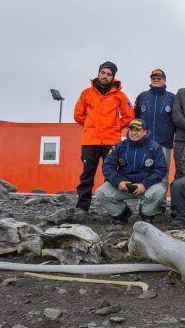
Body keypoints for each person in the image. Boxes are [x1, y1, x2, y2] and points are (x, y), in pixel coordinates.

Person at [72, 61, 135, 217]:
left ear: (113, 77)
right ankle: (82, 207)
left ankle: (111, 206)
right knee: (87, 174)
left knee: (111, 174)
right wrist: (89, 125)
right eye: (103, 73)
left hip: (111, 141)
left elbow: (129, 115)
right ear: (98, 73)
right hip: (89, 141)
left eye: (109, 74)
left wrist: (115, 126)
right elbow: (78, 115)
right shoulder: (86, 93)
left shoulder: (119, 95)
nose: (105, 76)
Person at [97, 119, 167, 224]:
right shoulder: (118, 146)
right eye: (131, 130)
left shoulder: (155, 147)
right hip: (124, 186)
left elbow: (160, 170)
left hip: (145, 187)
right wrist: (118, 182)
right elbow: (107, 167)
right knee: (100, 192)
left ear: (145, 132)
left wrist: (144, 184)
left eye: (138, 130)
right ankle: (122, 213)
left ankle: (146, 215)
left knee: (160, 190)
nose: (134, 133)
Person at [134, 68, 176, 183]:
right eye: (154, 78)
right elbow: (136, 118)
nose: (156, 80)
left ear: (164, 80)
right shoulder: (142, 96)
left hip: (164, 143)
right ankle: (142, 200)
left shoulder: (172, 98)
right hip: (144, 143)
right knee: (143, 172)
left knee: (162, 174)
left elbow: (176, 119)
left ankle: (161, 200)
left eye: (159, 78)